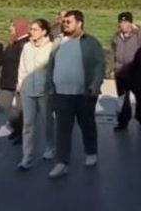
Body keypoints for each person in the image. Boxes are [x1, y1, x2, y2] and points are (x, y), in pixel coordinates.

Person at [45, 10, 106, 179]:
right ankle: (61, 163)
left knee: (87, 124)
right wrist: (49, 85)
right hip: (61, 94)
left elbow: (99, 65)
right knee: (63, 129)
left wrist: (95, 84)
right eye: (63, 21)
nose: (64, 24)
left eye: (68, 21)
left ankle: (91, 151)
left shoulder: (90, 42)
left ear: (79, 23)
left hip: (84, 93)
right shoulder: (58, 42)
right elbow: (50, 65)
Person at [16, 18, 56, 169]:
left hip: (44, 91)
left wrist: (52, 88)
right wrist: (20, 83)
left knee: (47, 121)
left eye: (35, 29)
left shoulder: (52, 48)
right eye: (31, 29)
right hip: (27, 90)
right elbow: (22, 67)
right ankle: (27, 157)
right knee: (28, 124)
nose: (31, 32)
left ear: (44, 31)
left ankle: (50, 147)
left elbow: (53, 69)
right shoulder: (26, 47)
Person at [111, 11, 141, 131]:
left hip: (135, 72)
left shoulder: (138, 35)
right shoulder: (116, 36)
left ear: (131, 23)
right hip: (120, 71)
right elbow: (112, 51)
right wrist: (113, 67)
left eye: (126, 22)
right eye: (121, 22)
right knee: (122, 98)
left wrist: (138, 30)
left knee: (140, 97)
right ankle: (123, 122)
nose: (122, 25)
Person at [0, 19, 28, 143]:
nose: (10, 28)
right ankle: (17, 128)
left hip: (18, 81)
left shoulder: (24, 44)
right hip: (7, 80)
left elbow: (25, 64)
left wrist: (20, 80)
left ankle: (22, 133)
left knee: (21, 110)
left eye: (12, 26)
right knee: (4, 104)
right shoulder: (13, 42)